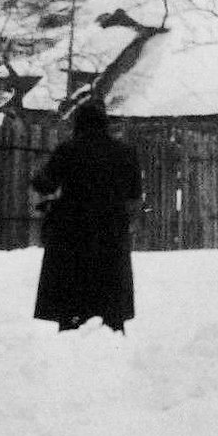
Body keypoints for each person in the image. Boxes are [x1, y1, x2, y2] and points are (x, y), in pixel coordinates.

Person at [31, 99, 145, 333]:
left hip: (73, 227)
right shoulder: (125, 152)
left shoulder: (68, 150)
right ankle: (112, 323)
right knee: (110, 280)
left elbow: (45, 184)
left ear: (78, 124)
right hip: (111, 228)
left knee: (74, 282)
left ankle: (72, 320)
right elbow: (134, 193)